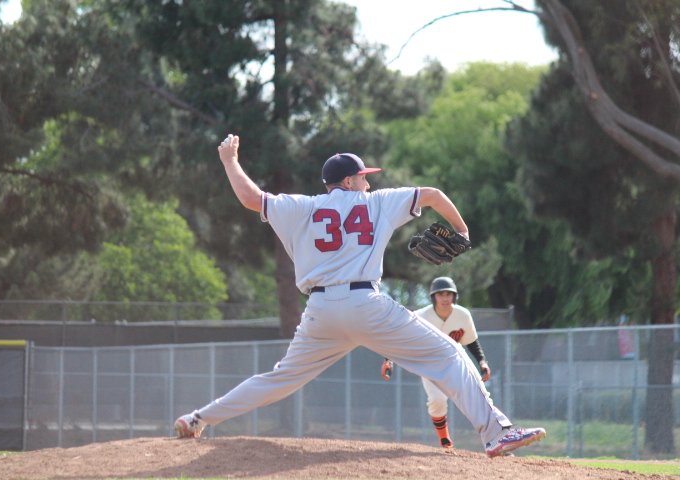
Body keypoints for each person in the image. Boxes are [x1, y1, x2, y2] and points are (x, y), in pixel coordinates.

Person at [174, 134, 545, 457]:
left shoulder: (301, 206)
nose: (368, 183)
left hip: (319, 312)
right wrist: (461, 230)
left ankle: (197, 419)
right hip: (365, 305)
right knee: (449, 355)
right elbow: (432, 195)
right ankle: (496, 433)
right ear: (349, 181)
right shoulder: (376, 202)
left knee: (279, 379)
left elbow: (250, 197)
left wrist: (230, 160)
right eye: (364, 177)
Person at [382, 276, 493, 449]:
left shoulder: (462, 315)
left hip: (457, 358)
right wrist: (388, 359)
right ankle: (445, 440)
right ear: (433, 297)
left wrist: (482, 362)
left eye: (448, 294)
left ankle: (497, 436)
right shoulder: (420, 316)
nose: (444, 298)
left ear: (454, 296)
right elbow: (400, 337)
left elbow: (471, 342)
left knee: (481, 394)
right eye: (440, 294)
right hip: (431, 362)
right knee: (437, 400)